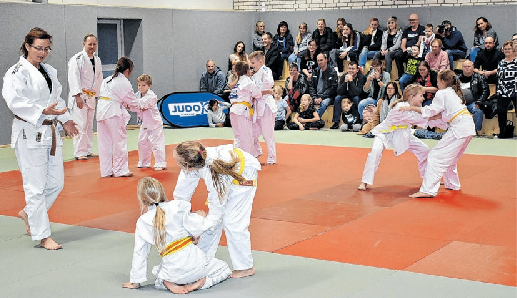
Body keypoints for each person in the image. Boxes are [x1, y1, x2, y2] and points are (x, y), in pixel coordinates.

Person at [2, 27, 79, 250]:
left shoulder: (48, 70)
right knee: (35, 187)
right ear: (27, 46)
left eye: (47, 49)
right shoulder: (16, 73)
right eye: (39, 48)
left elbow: (57, 99)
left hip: (50, 131)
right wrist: (42, 112)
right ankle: (42, 235)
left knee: (56, 183)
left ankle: (28, 213)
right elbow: (15, 102)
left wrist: (66, 119)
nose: (43, 53)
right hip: (29, 132)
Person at [122, 177, 231, 293]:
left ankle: (166, 282)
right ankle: (201, 283)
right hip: (196, 264)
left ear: (142, 200)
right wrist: (201, 216)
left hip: (173, 272)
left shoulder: (143, 221)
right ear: (162, 192)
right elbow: (198, 226)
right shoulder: (177, 206)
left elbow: (140, 253)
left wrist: (135, 281)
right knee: (224, 268)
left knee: (158, 272)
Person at [173, 141, 261, 278]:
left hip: (244, 176)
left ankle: (245, 267)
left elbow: (216, 213)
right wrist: (183, 221)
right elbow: (181, 195)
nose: (176, 164)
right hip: (225, 175)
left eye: (177, 162)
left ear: (187, 165)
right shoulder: (196, 159)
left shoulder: (213, 176)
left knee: (232, 222)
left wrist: (198, 228)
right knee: (211, 221)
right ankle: (201, 260)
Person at [401, 70, 476, 198]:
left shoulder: (443, 93)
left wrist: (413, 109)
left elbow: (431, 111)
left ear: (442, 81)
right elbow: (441, 116)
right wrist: (426, 119)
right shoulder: (452, 92)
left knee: (435, 156)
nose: (437, 84)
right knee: (450, 159)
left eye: (437, 81)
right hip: (466, 127)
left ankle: (428, 190)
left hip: (460, 128)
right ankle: (452, 184)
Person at [358, 84, 430, 191]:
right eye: (421, 95)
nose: (423, 98)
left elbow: (424, 116)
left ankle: (427, 177)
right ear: (412, 97)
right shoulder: (401, 107)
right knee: (375, 151)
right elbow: (422, 118)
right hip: (385, 133)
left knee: (424, 149)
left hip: (402, 133)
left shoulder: (413, 107)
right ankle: (364, 181)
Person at [96, 57, 137, 178]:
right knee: (119, 141)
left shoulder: (107, 79)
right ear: (128, 70)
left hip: (102, 111)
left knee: (104, 143)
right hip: (112, 112)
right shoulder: (123, 81)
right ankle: (120, 170)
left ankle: (106, 171)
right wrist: (142, 106)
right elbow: (131, 102)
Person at [67, 33, 102, 161]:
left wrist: (97, 95)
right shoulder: (77, 59)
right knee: (80, 124)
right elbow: (73, 78)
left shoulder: (97, 60)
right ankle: (79, 152)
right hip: (80, 97)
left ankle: (88, 149)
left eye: (94, 44)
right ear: (84, 44)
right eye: (90, 44)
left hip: (91, 97)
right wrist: (77, 96)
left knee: (88, 125)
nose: (92, 46)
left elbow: (99, 79)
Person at [132, 74, 166, 171]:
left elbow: (140, 105)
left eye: (143, 85)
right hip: (144, 123)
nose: (140, 88)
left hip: (155, 123)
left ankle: (160, 163)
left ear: (149, 85)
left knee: (156, 143)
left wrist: (129, 104)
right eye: (139, 85)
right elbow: (132, 102)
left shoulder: (152, 96)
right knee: (142, 142)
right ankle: (144, 162)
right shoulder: (137, 95)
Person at [249, 51, 277, 165]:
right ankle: (257, 152)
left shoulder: (266, 71)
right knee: (252, 133)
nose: (251, 65)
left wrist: (258, 91)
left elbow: (269, 84)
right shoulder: (253, 75)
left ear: (261, 62)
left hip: (266, 106)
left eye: (253, 62)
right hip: (257, 106)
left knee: (267, 134)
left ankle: (272, 157)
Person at [228, 61, 261, 156]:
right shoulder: (248, 81)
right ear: (247, 71)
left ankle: (236, 156)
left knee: (237, 136)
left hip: (233, 110)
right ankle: (248, 157)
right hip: (242, 111)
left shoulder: (238, 83)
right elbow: (257, 94)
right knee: (246, 135)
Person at [331, 61, 366, 128]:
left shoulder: (361, 77)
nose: (351, 71)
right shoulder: (344, 76)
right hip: (346, 95)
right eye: (349, 68)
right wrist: (345, 82)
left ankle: (359, 121)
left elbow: (358, 92)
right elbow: (339, 91)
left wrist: (351, 81)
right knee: (337, 98)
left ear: (357, 69)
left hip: (356, 95)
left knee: (356, 99)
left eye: (353, 69)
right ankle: (336, 122)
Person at [458, 60, 488, 133]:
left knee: (478, 111)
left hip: (474, 102)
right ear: (462, 68)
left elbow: (485, 91)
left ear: (473, 67)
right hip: (460, 103)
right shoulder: (457, 78)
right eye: (465, 66)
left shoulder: (479, 77)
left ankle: (476, 131)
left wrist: (479, 102)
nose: (467, 68)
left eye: (469, 66)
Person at [495, 40, 517, 138]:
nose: (507, 50)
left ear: (514, 49)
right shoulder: (501, 62)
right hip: (502, 91)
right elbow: (499, 77)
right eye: (505, 49)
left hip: (515, 90)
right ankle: (503, 133)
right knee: (501, 112)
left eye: (509, 49)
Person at [394, 13, 425, 79]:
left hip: (416, 49)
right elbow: (403, 43)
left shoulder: (421, 29)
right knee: (397, 55)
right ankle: (401, 75)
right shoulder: (406, 30)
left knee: (410, 56)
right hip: (407, 49)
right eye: (410, 20)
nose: (411, 21)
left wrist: (414, 49)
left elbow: (420, 41)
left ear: (418, 20)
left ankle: (411, 76)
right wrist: (404, 49)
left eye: (413, 20)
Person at [309, 53, 338, 118]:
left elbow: (333, 88)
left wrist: (322, 98)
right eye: (318, 60)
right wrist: (314, 97)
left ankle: (314, 120)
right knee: (305, 101)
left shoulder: (332, 72)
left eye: (321, 60)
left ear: (326, 60)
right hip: (316, 96)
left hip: (327, 97)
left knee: (324, 103)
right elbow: (311, 86)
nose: (319, 62)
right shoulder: (315, 71)